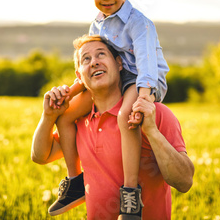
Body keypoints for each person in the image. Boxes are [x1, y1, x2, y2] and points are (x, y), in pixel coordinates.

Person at [48, 0, 170, 218]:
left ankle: (129, 193)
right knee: (66, 115)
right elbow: (93, 63)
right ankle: (75, 181)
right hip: (117, 78)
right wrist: (69, 94)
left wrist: (145, 98)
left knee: (127, 115)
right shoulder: (97, 24)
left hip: (142, 80)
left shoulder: (139, 22)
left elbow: (147, 63)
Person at [31, 35, 194, 220]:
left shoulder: (154, 113)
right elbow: (40, 156)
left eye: (101, 54)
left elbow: (184, 182)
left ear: (119, 63)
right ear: (79, 76)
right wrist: (48, 117)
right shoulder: (78, 122)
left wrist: (152, 132)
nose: (94, 62)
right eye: (86, 59)